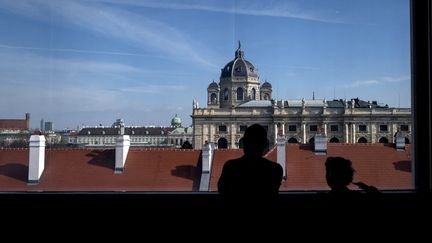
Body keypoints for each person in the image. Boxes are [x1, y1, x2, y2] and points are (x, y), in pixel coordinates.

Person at [217, 124, 283, 203]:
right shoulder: (275, 169)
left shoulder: (230, 167)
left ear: (244, 143)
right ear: (265, 145)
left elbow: (222, 192)